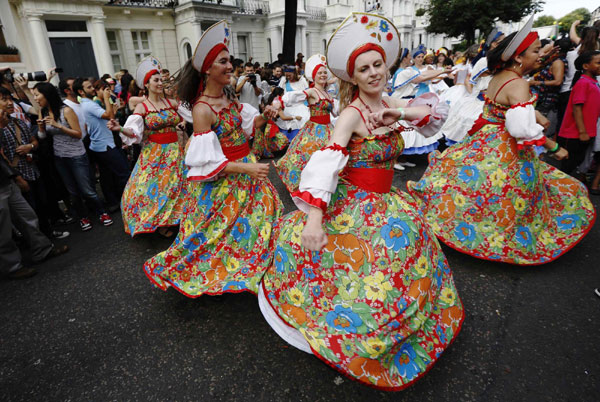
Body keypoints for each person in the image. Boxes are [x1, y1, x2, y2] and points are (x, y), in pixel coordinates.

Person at [259, 13, 463, 390]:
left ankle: (409, 321)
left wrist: (396, 112)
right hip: (356, 199)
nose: (373, 73)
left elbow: (433, 114)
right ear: (352, 77)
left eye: (377, 65)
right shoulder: (350, 115)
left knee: (411, 246)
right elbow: (326, 168)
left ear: (386, 66)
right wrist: (314, 219)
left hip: (388, 198)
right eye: (364, 69)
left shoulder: (389, 101)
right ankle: (367, 328)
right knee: (376, 262)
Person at [407, 17, 596, 265]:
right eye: (536, 51)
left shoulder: (500, 76)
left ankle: (475, 230)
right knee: (510, 193)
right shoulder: (517, 82)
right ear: (518, 57)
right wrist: (554, 147)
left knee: (482, 190)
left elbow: (504, 107)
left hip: (486, 141)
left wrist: (534, 113)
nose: (541, 55)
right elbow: (520, 127)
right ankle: (500, 239)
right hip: (504, 146)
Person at [143, 20, 283, 297]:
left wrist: (263, 119)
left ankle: (254, 266)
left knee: (261, 220)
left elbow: (247, 129)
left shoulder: (230, 100)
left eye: (230, 61)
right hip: (226, 182)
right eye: (223, 62)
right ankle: (228, 269)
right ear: (208, 69)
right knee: (217, 234)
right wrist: (247, 168)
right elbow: (206, 163)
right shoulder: (202, 109)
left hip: (248, 172)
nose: (230, 66)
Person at [107, 56, 187, 237]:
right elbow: (133, 132)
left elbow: (188, 116)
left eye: (161, 80)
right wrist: (119, 128)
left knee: (177, 186)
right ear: (147, 85)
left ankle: (178, 218)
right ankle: (160, 222)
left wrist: (182, 122)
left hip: (175, 151)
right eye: (156, 80)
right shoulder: (143, 107)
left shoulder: (172, 103)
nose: (160, 83)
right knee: (154, 189)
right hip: (155, 154)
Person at [33, 82, 113, 231]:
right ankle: (83, 217)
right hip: (59, 157)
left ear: (47, 94)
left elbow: (78, 134)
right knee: (73, 192)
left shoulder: (66, 110)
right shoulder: (42, 111)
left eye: (37, 95)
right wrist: (41, 128)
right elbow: (42, 137)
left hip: (77, 155)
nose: (36, 99)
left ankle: (102, 212)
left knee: (87, 190)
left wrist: (59, 126)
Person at [0, 108, 69, 279]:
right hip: (6, 181)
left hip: (7, 181)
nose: (5, 110)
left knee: (27, 215)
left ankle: (42, 250)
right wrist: (16, 176)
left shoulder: (13, 124)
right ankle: (13, 267)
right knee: (3, 229)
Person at [274, 54, 335, 193]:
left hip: (329, 128)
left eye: (325, 72)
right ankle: (308, 184)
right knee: (307, 156)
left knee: (329, 157)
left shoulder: (328, 94)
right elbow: (296, 96)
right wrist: (280, 103)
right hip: (315, 129)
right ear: (314, 76)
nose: (323, 75)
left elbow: (336, 112)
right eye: (320, 72)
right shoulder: (313, 91)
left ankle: (324, 185)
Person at [77, 77, 130, 210]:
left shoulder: (88, 103)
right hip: (104, 144)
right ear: (81, 91)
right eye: (89, 87)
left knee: (107, 176)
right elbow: (109, 115)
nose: (93, 89)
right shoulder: (89, 104)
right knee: (124, 173)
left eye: (92, 87)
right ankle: (129, 203)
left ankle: (114, 202)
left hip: (101, 144)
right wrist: (107, 98)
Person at [557, 51, 600, 178]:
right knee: (568, 166)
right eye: (598, 63)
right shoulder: (583, 83)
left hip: (587, 132)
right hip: (575, 134)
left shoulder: (593, 82)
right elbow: (577, 108)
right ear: (586, 66)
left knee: (576, 161)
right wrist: (582, 132)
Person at [251, 87, 292, 159]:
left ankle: (265, 152)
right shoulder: (277, 102)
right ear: (280, 94)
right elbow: (282, 117)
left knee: (263, 140)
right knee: (281, 139)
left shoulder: (271, 100)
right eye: (282, 94)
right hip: (269, 125)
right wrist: (294, 117)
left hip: (265, 123)